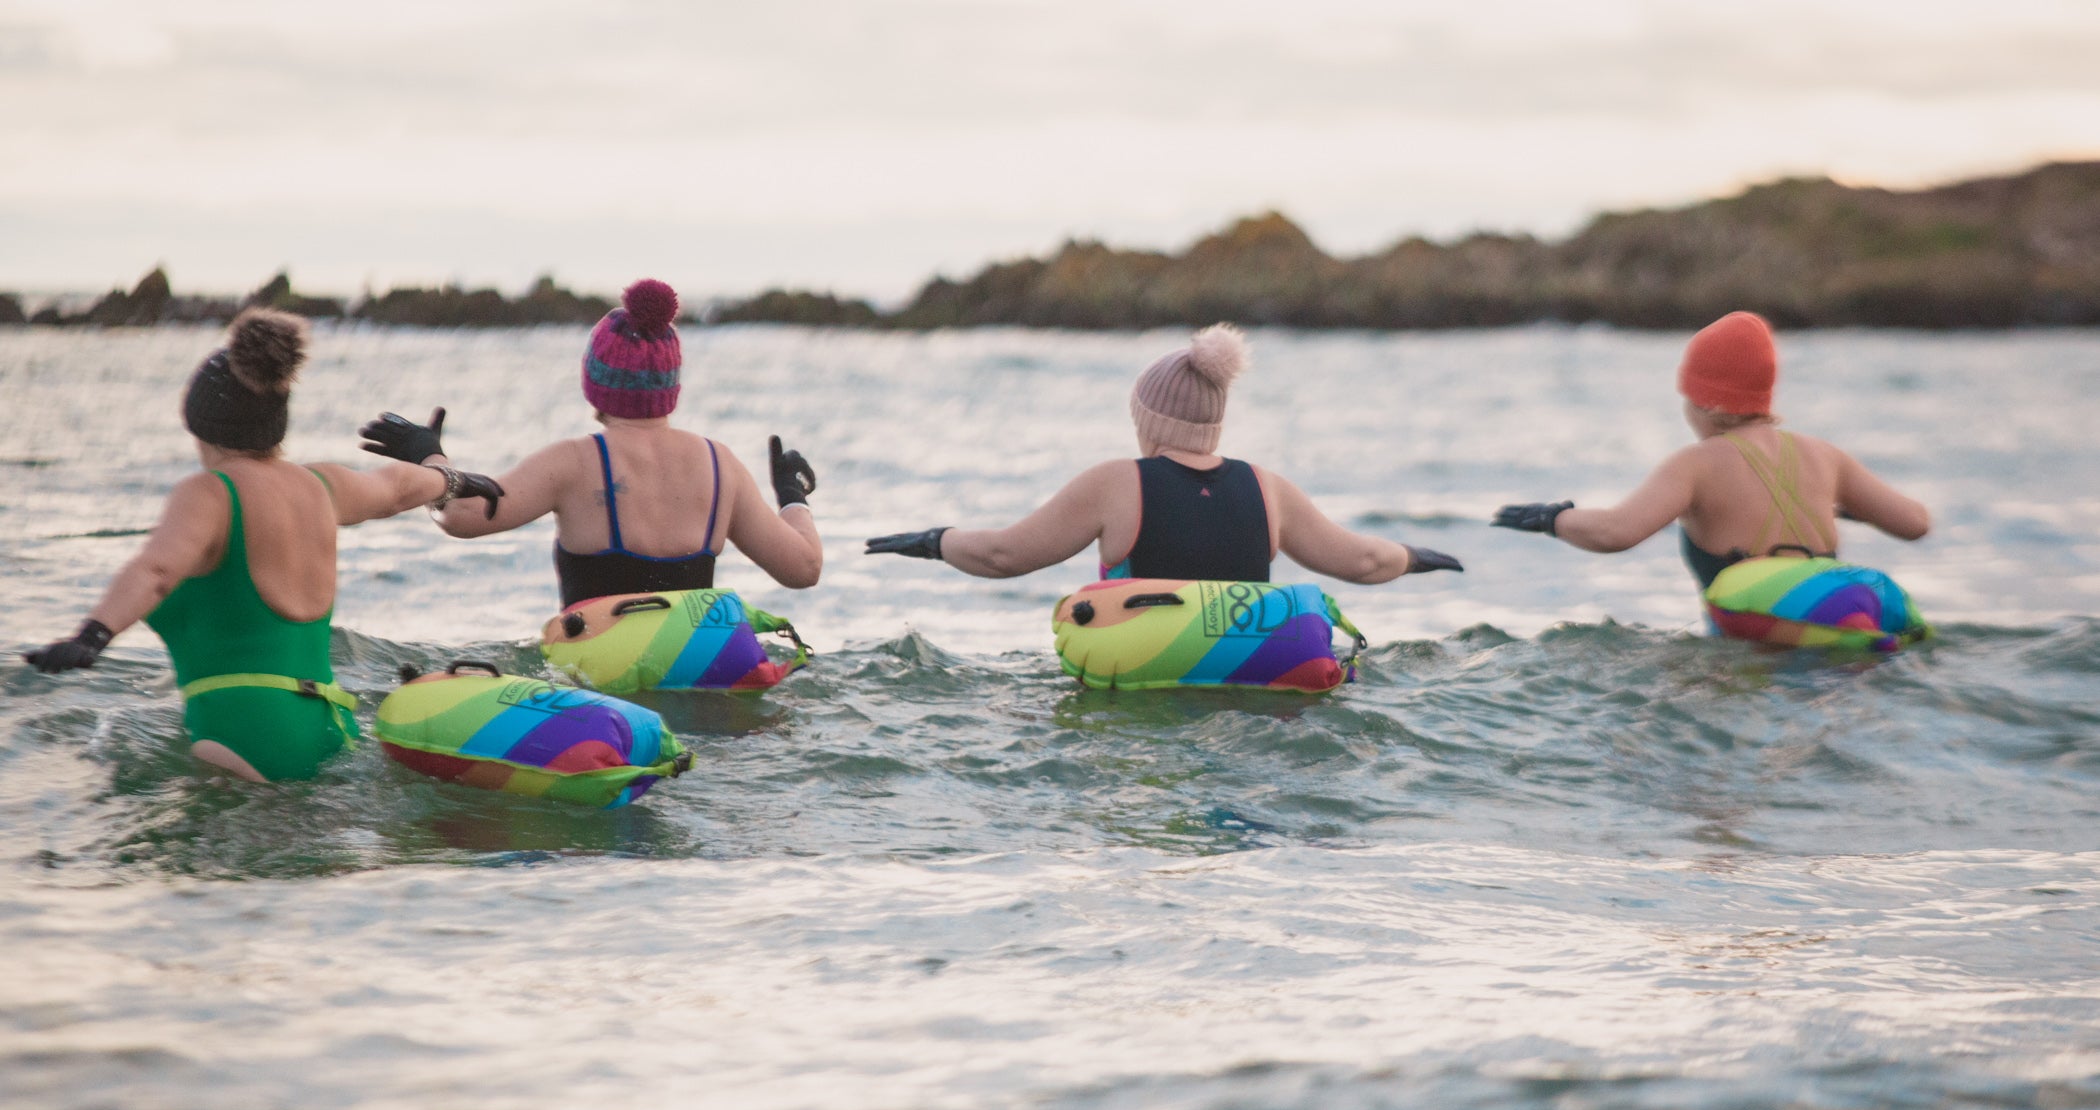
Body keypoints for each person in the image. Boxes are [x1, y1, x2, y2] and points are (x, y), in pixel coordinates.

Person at [21, 309, 504, 782]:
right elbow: (396, 487)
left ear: (199, 421)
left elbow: (157, 571)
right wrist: (452, 478)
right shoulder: (322, 486)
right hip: (330, 728)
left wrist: (93, 635)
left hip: (241, 733)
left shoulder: (209, 493)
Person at [864, 324, 1462, 584]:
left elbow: (1002, 556)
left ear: (1147, 421)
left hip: (1146, 687)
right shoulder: (1268, 488)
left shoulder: (1117, 483)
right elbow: (1360, 561)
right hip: (1250, 689)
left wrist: (932, 540)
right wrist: (1414, 556)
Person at [363, 279, 823, 607]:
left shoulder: (574, 463)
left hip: (605, 691)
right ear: (671, 385)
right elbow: (802, 569)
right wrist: (792, 498)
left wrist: (428, 456)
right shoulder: (719, 464)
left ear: (593, 382)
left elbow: (461, 516)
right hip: (695, 674)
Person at [1492, 310, 1930, 591]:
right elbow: (1914, 523)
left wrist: (1551, 517)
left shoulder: (1696, 465)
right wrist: (1842, 508)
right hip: (1832, 658)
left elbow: (1615, 532)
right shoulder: (1826, 457)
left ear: (1708, 402)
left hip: (1743, 667)